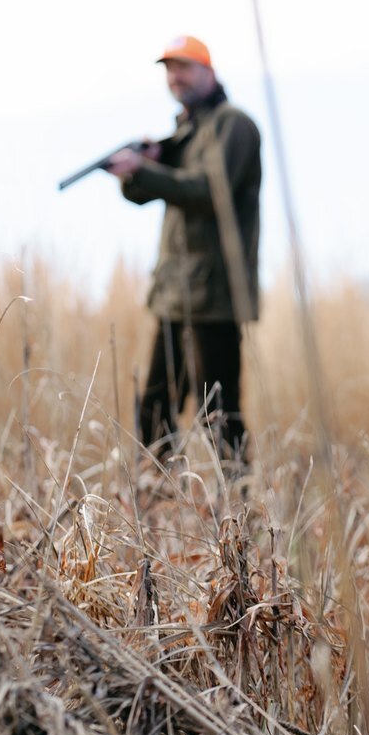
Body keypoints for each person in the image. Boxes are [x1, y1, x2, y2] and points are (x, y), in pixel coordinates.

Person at [105, 35, 262, 465]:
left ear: (208, 71)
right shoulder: (184, 131)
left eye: (185, 67)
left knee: (219, 415)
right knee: (155, 409)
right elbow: (146, 194)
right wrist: (136, 171)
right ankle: (155, 508)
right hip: (174, 294)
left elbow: (210, 191)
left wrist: (147, 170)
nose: (176, 77)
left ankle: (240, 513)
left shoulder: (235, 126)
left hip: (216, 296)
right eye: (169, 70)